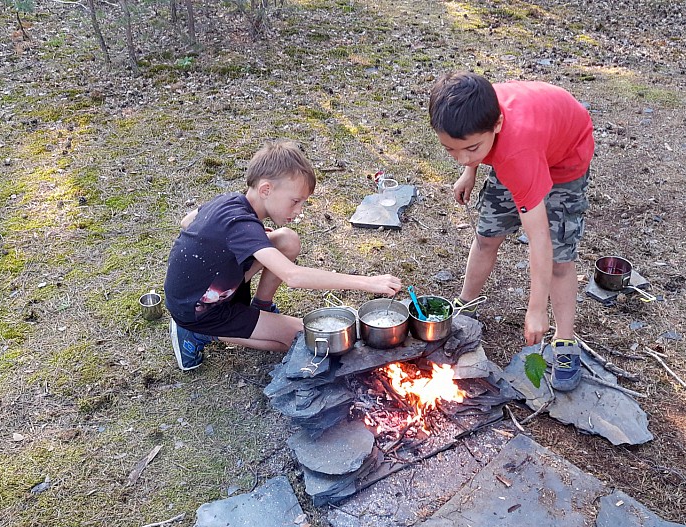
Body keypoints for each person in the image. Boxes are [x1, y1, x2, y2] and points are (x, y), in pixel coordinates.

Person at [164, 140, 402, 370]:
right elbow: (293, 277)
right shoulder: (240, 226)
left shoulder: (229, 202)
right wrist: (368, 282)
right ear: (266, 189)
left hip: (210, 289)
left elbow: (187, 222)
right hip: (201, 310)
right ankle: (198, 333)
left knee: (287, 239)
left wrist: (242, 242)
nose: (298, 211)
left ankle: (262, 308)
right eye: (295, 201)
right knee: (302, 337)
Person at [428, 72, 594, 392]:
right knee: (487, 236)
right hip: (518, 148)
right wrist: (470, 169)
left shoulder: (517, 154)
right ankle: (465, 306)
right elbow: (469, 141)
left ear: (497, 125)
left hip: (565, 158)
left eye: (471, 149)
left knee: (560, 259)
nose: (461, 156)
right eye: (451, 150)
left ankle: (565, 341)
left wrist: (535, 310)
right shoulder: (474, 113)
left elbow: (539, 238)